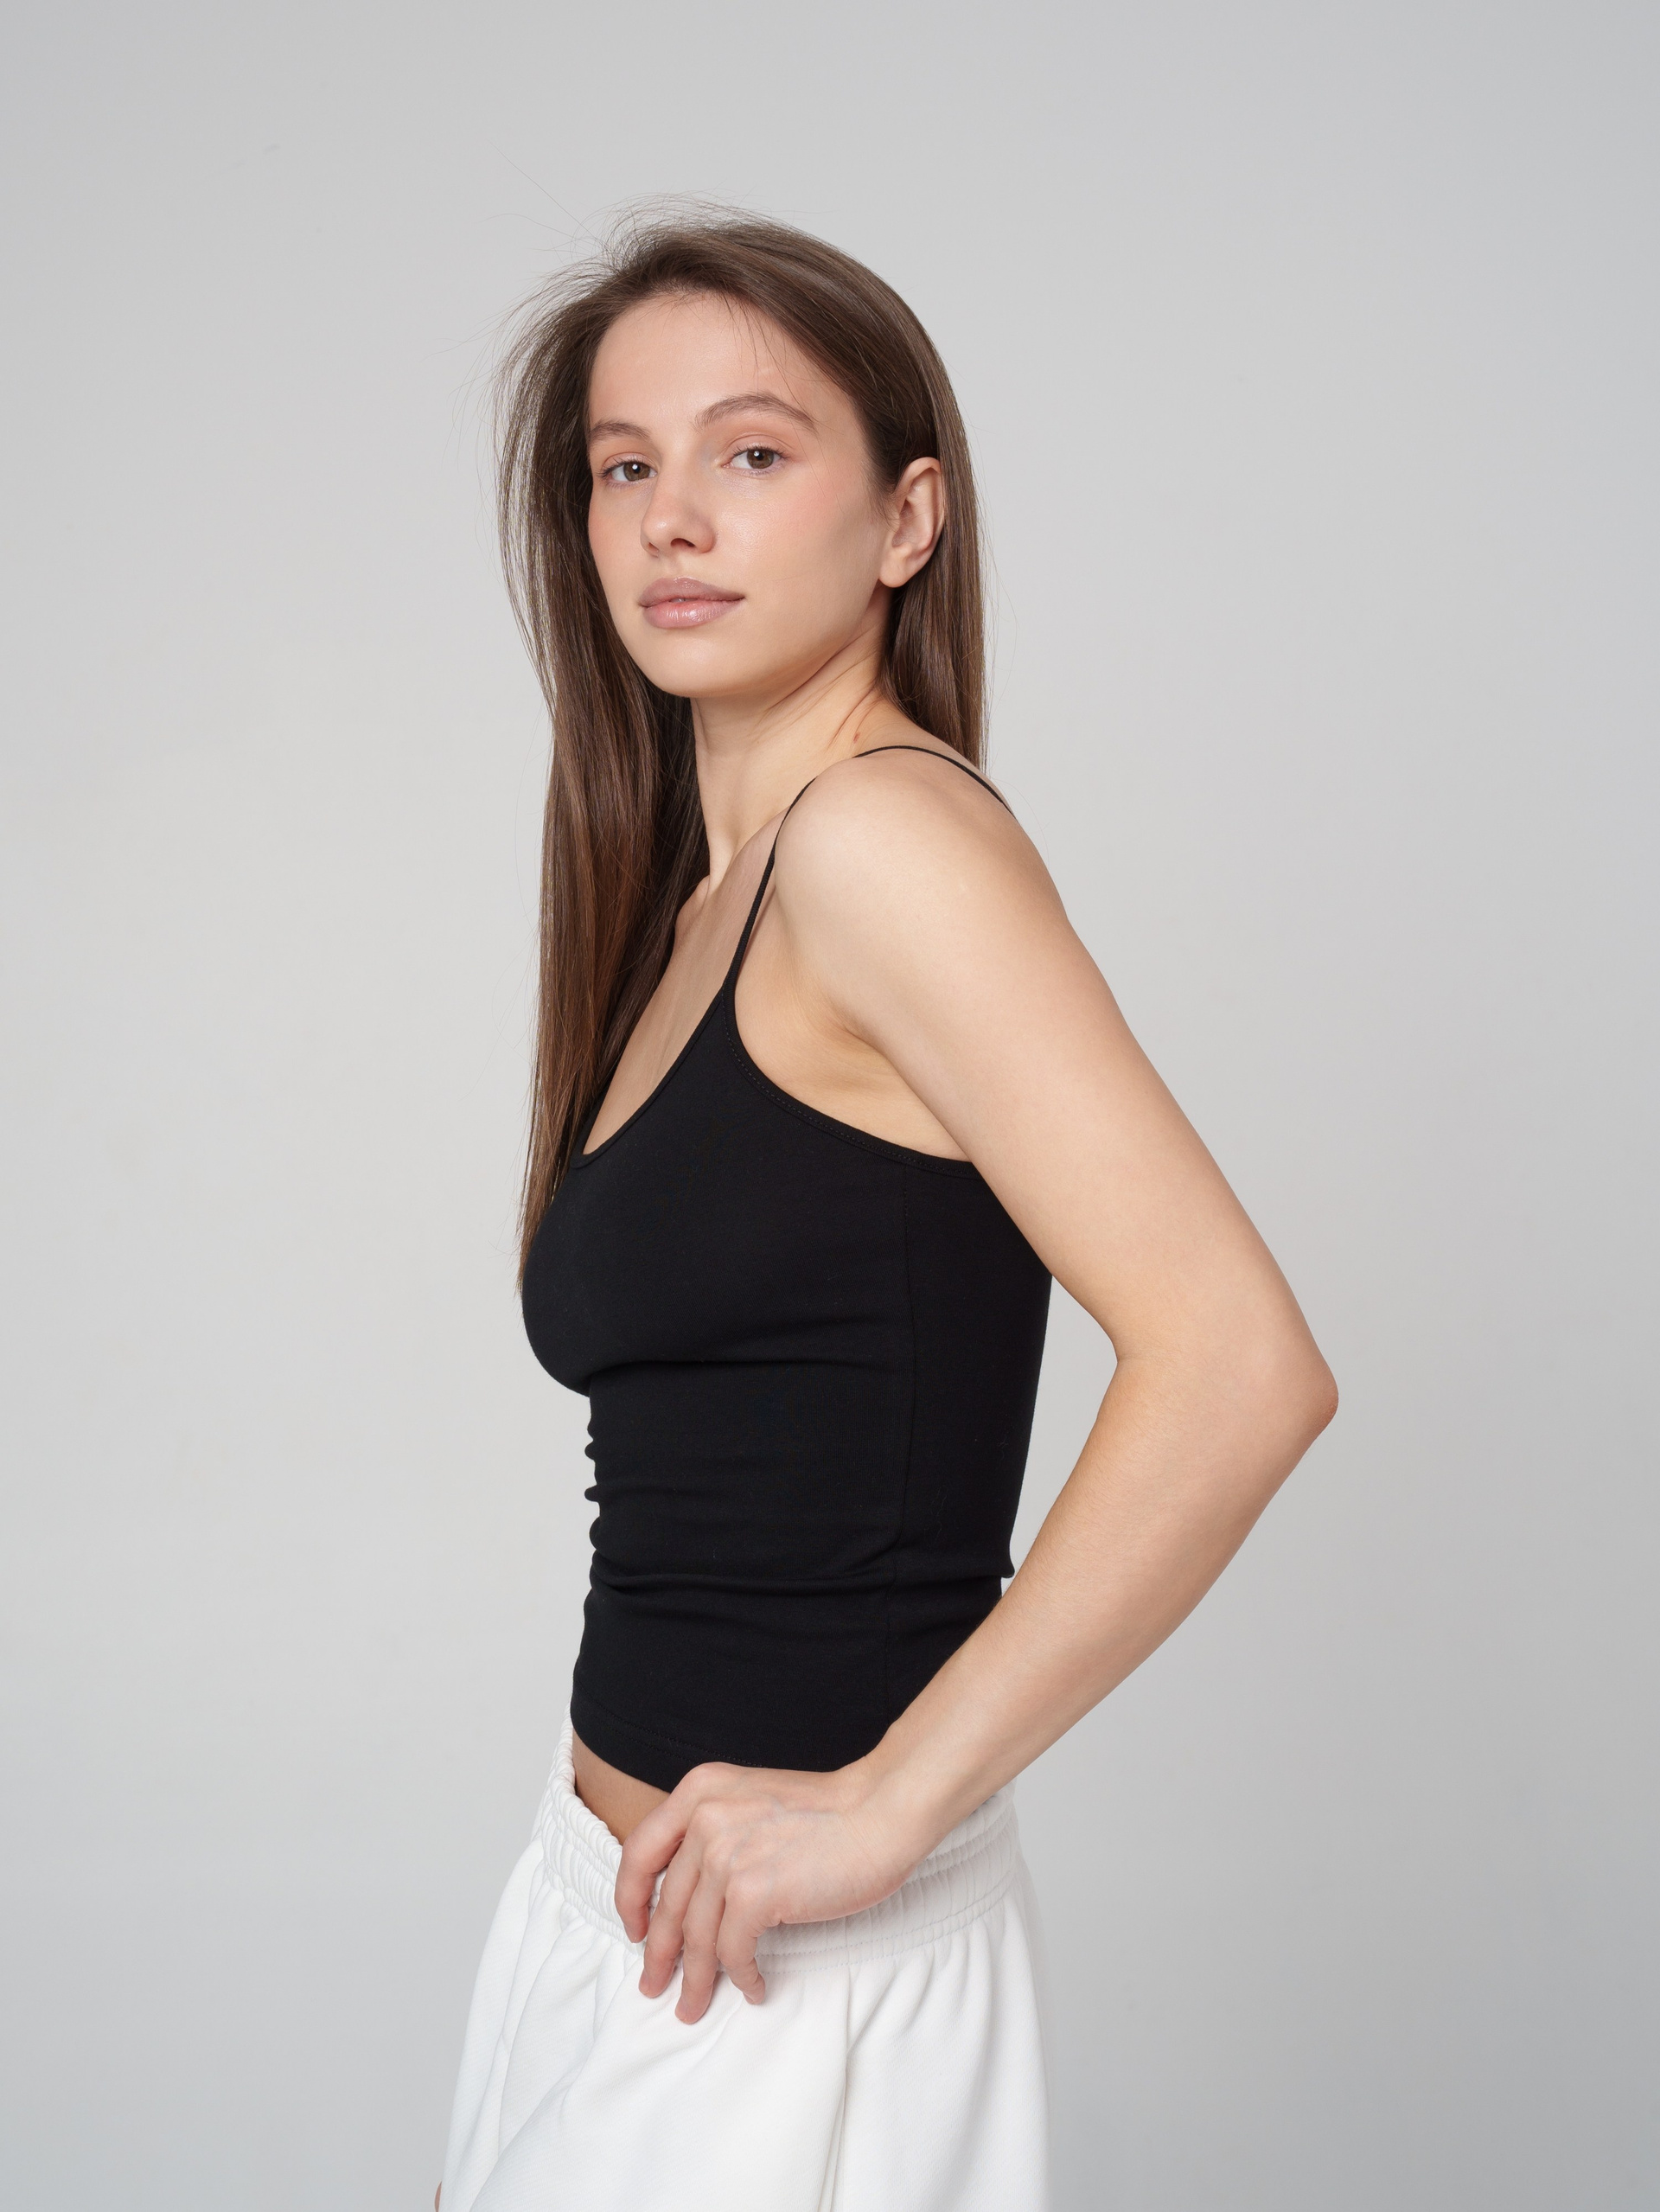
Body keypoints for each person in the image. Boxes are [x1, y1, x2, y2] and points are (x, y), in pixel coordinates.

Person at [437, 209, 1337, 2212]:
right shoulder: (698, 888)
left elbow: (1240, 1364)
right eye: (623, 465)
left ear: (905, 520)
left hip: (783, 1993)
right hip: (618, 1925)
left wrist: (885, 1805)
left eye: (752, 453)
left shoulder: (883, 846)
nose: (674, 517)